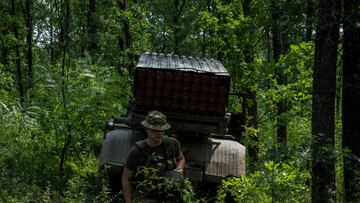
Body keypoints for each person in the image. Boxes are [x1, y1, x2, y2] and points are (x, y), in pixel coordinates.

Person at [122, 110, 185, 203]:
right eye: (154, 130)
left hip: (169, 197)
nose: (159, 133)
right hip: (145, 198)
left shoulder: (172, 143)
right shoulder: (137, 151)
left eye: (161, 130)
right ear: (146, 129)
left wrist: (179, 170)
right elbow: (126, 179)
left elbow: (181, 159)